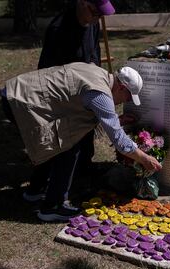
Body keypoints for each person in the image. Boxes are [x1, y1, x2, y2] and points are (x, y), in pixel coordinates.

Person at [2, 62, 162, 222]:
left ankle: (35, 190)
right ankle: (52, 207)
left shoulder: (99, 74)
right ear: (121, 87)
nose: (124, 102)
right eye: (128, 97)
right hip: (21, 100)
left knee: (58, 144)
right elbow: (119, 140)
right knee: (68, 148)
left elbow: (82, 106)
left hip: (19, 90)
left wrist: (116, 120)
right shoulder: (100, 93)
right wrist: (144, 158)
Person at [37, 0, 116, 176]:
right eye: (96, 13)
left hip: (84, 90)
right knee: (67, 144)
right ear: (82, 3)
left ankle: (83, 170)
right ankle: (56, 180)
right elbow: (49, 73)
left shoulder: (92, 24)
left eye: (102, 15)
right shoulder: (59, 30)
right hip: (62, 93)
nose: (98, 18)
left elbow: (94, 55)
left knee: (86, 135)